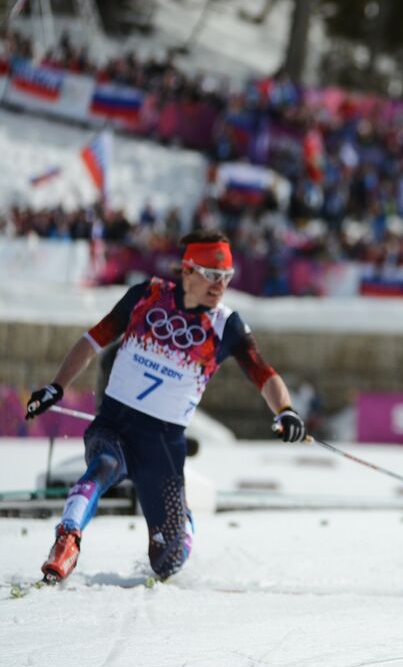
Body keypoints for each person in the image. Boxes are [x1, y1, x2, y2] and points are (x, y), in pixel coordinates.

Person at [25, 230, 306, 584]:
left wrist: (286, 411)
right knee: (103, 467)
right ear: (187, 270)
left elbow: (264, 374)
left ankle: (182, 522)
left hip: (163, 446)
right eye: (212, 275)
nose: (220, 286)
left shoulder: (226, 325)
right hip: (115, 422)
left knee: (167, 562)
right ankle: (67, 538)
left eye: (227, 277)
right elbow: (91, 341)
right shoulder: (147, 296)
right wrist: (56, 385)